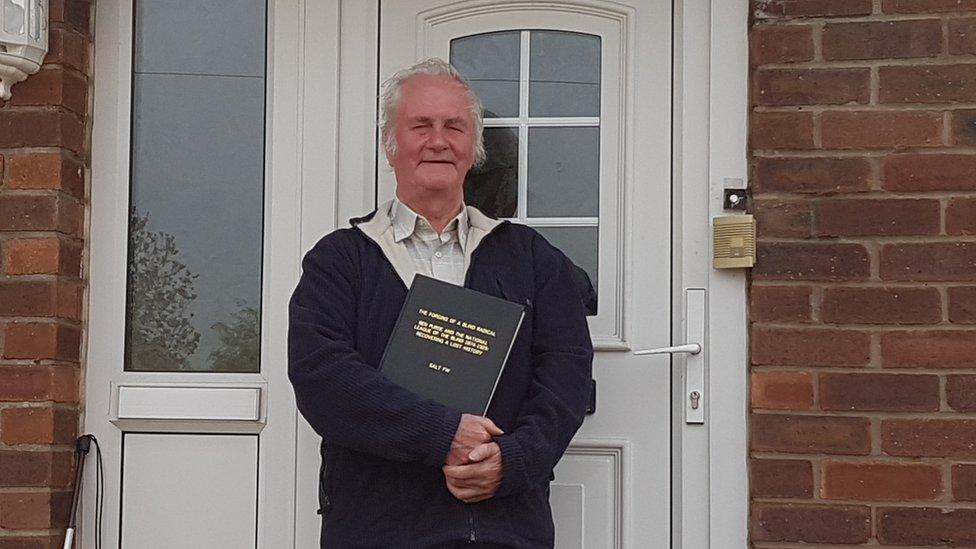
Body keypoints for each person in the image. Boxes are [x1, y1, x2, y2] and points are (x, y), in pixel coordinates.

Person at [288, 58, 593, 548]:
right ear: (391, 145)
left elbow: (566, 379)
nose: (438, 140)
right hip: (374, 528)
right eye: (421, 125)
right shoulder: (339, 260)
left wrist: (513, 462)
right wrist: (442, 432)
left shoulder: (534, 260)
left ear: (473, 148)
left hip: (504, 527)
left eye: (454, 126)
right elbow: (321, 378)